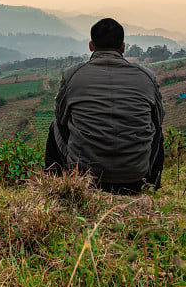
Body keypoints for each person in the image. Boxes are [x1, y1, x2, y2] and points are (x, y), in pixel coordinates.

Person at [45, 18, 165, 194]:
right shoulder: (146, 76)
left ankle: (54, 185)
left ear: (91, 46)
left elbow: (62, 117)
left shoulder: (73, 75)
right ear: (123, 47)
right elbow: (158, 119)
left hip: (86, 177)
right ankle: (153, 184)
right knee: (157, 129)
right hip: (135, 177)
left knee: (55, 125)